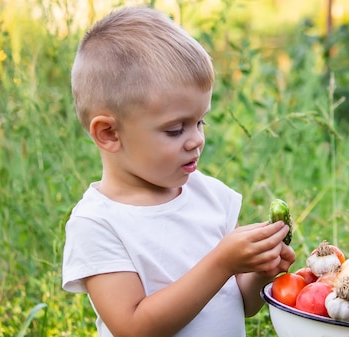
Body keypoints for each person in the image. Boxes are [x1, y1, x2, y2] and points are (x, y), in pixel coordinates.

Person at [61, 6, 296, 337]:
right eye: (175, 130)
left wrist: (259, 270)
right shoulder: (98, 223)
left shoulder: (210, 195)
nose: (196, 139)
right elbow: (133, 327)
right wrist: (222, 263)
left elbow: (240, 304)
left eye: (200, 121)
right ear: (110, 134)